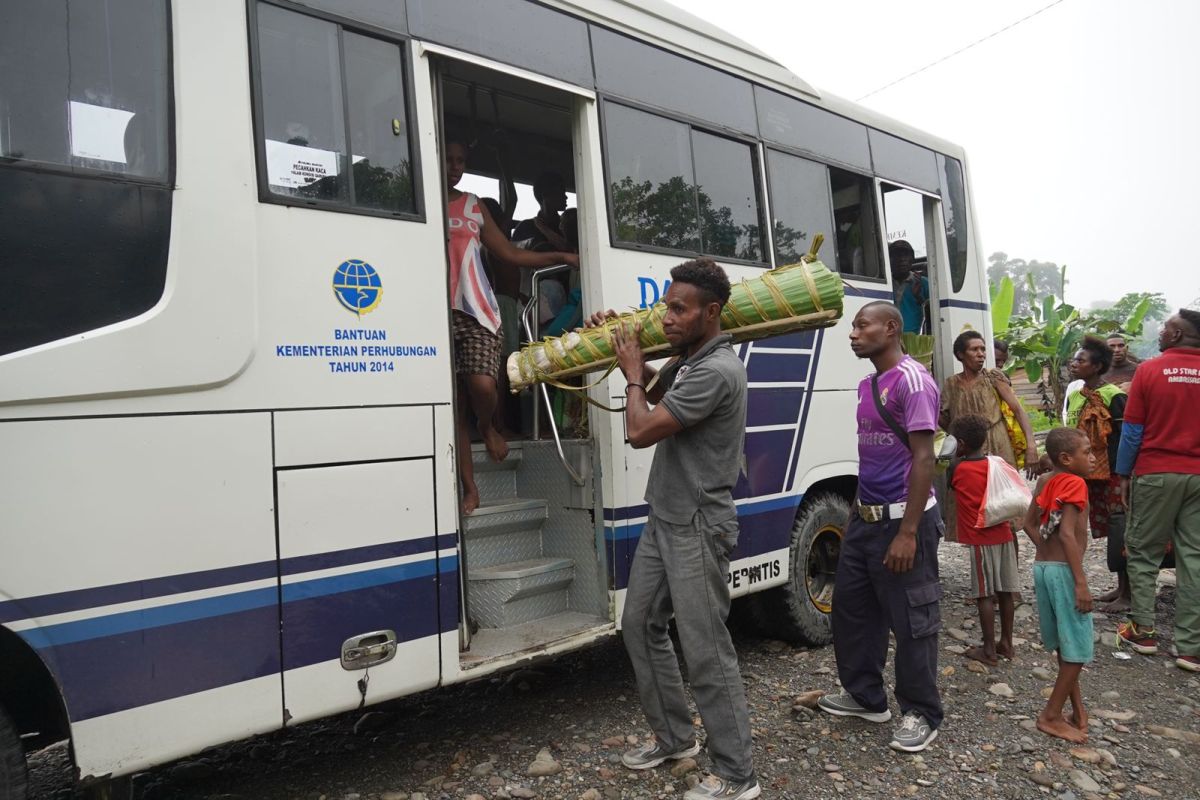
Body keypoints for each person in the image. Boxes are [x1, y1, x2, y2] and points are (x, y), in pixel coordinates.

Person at [591, 259, 758, 800]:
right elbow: (657, 397)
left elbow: (640, 429)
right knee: (639, 624)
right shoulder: (691, 360)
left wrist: (635, 373)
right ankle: (676, 739)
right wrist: (624, 349)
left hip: (697, 525)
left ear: (711, 312)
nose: (668, 316)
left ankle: (737, 773)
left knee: (706, 648)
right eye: (666, 306)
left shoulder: (716, 370)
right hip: (666, 515)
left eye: (679, 309)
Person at [816, 301, 943, 754]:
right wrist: (854, 517)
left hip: (902, 521)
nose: (853, 332)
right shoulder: (868, 384)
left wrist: (907, 532)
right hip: (866, 519)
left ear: (890, 329)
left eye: (862, 324)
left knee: (913, 619)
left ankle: (921, 712)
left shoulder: (913, 380)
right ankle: (866, 697)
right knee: (853, 612)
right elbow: (870, 460)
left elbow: (924, 458)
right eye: (852, 325)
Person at [444, 138, 578, 514]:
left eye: (460, 161)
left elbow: (512, 253)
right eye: (449, 159)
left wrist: (563, 255)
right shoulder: (420, 202)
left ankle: (487, 426)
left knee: (483, 386)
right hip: (434, 311)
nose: (455, 167)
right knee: (454, 406)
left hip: (475, 309)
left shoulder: (472, 205)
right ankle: (470, 487)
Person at [1114, 309, 1200, 672]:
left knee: (1144, 552)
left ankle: (1143, 630)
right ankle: (1190, 648)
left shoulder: (1149, 371)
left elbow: (1132, 430)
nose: (1161, 332)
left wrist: (1123, 474)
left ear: (1178, 335)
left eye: (1166, 328)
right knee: (1193, 558)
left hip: (1155, 471)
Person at [1022, 427, 1095, 744]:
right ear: (1066, 458)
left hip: (1044, 568)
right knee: (1077, 650)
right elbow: (1067, 534)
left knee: (1066, 645)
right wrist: (1081, 583)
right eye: (1087, 452)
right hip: (1065, 572)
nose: (1093, 458)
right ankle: (1050, 716)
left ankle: (1077, 710)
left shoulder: (1045, 480)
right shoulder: (1075, 482)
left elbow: (1027, 523)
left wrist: (1044, 550)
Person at [940, 330, 1038, 545]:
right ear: (960, 355)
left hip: (997, 444)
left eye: (983, 349)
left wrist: (1031, 445)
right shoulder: (951, 384)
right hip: (967, 451)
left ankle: (1009, 569)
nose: (981, 354)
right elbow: (944, 418)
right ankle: (984, 566)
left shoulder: (994, 378)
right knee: (974, 508)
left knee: (1004, 506)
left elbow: (1018, 411)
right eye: (974, 349)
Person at [1064, 336, 1128, 612]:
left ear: (1097, 366)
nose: (1074, 363)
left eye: (1081, 360)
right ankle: (1118, 586)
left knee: (1121, 530)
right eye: (1075, 359)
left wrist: (1125, 475)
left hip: (1113, 473)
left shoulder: (1115, 396)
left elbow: (1125, 438)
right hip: (1086, 474)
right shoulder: (1076, 394)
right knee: (1099, 528)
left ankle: (1129, 594)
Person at [948, 414, 1018, 666]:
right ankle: (1007, 643)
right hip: (1004, 535)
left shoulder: (958, 468)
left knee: (984, 595)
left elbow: (952, 486)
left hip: (979, 539)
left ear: (962, 444)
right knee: (1006, 591)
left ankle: (988, 649)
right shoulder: (996, 464)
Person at [513, 170, 571, 252]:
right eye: (560, 192)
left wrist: (543, 228)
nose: (565, 197)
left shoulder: (568, 225)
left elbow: (571, 251)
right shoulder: (525, 228)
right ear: (545, 195)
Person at [889, 240, 928, 334]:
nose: (902, 259)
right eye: (897, 255)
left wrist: (918, 297)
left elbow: (934, 314)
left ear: (912, 259)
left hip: (913, 340)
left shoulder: (923, 283)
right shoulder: (885, 284)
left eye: (906, 255)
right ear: (889, 259)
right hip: (888, 338)